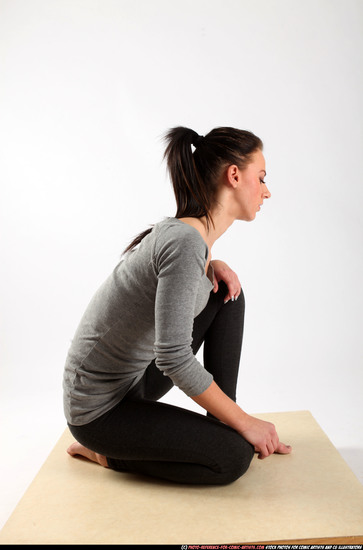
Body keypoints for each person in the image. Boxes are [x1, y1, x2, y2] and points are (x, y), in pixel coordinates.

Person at [63, 126, 291, 485]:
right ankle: (106, 454)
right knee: (232, 459)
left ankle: (222, 424)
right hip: (99, 411)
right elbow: (173, 356)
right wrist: (245, 422)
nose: (266, 191)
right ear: (234, 175)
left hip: (135, 382)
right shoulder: (186, 243)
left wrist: (210, 268)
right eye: (260, 178)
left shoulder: (192, 237)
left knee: (227, 293)